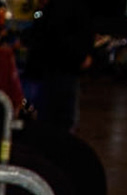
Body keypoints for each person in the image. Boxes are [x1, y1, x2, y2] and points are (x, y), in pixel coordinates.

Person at [23, 0, 93, 132]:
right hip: (62, 70)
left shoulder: (51, 10)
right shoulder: (60, 9)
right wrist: (81, 56)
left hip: (54, 69)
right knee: (61, 119)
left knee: (51, 117)